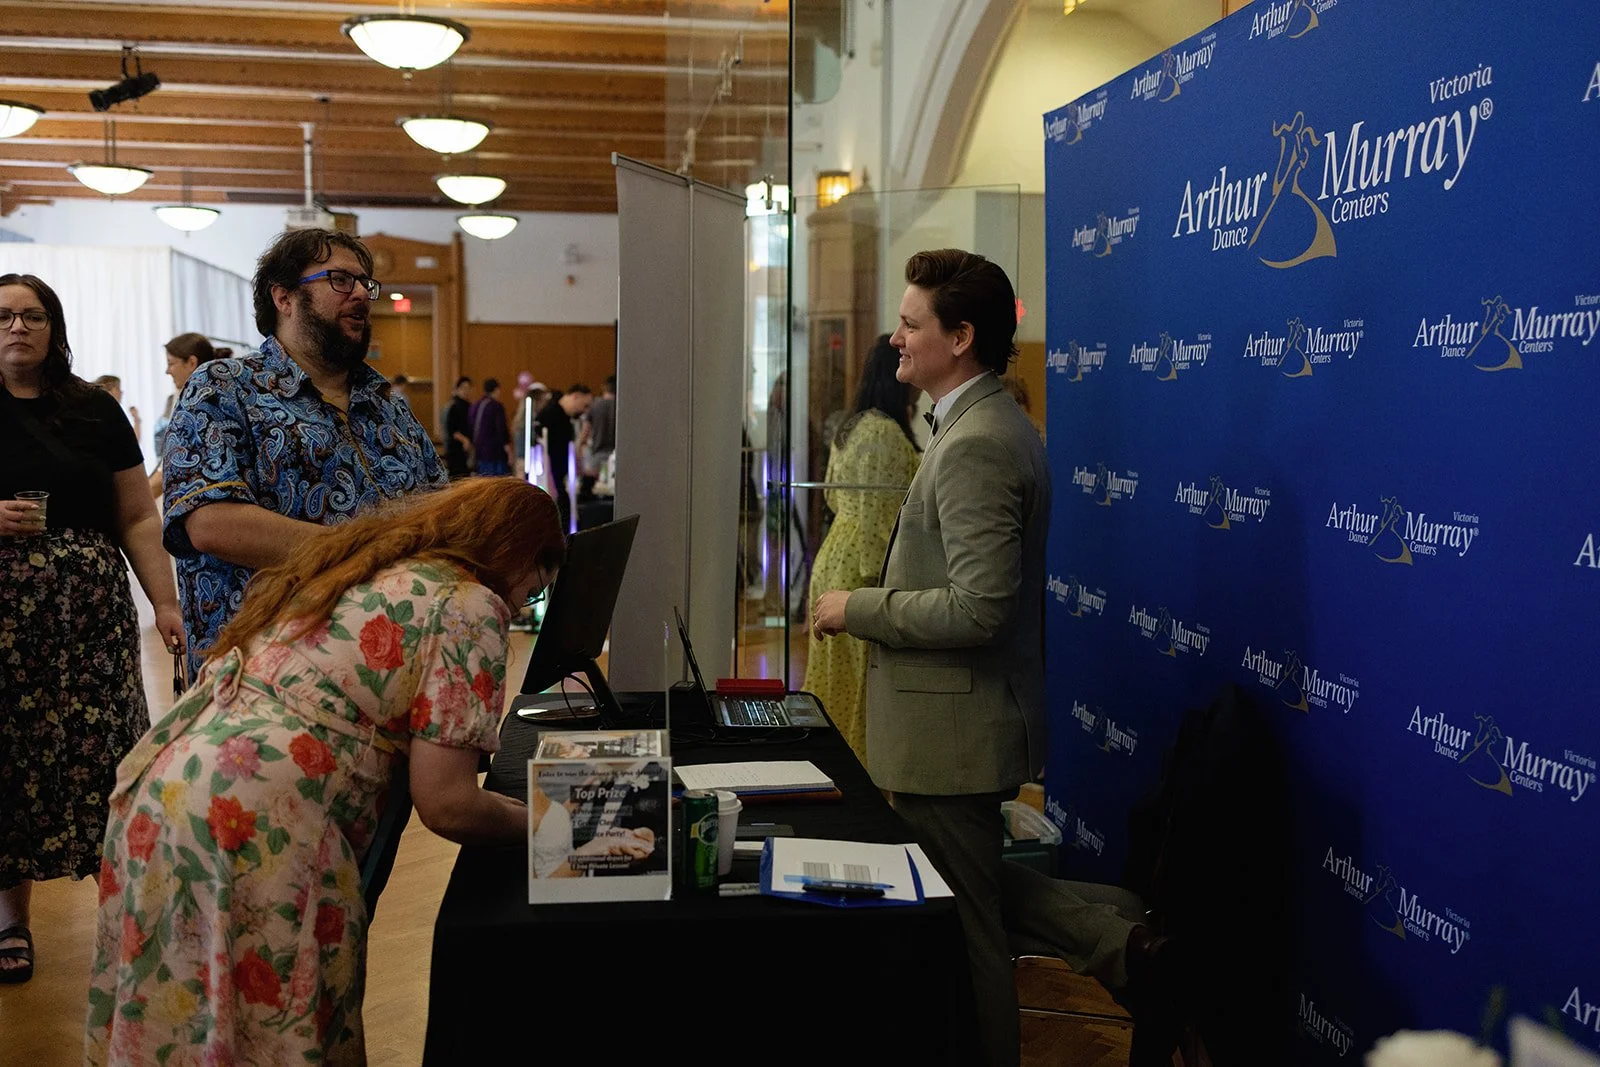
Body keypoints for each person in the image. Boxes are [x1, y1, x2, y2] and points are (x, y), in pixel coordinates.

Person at [812, 250, 1169, 1067]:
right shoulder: (970, 426)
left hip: (952, 734)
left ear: (961, 336)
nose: (894, 337)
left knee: (970, 937)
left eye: (910, 323)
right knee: (973, 888)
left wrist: (856, 608)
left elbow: (980, 606)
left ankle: (1126, 950)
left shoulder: (977, 442)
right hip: (948, 729)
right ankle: (1128, 946)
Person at [86, 478, 564, 1065]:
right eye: (532, 590)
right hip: (258, 821)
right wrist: (545, 820)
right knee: (281, 1020)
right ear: (515, 550)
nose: (521, 606)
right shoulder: (469, 605)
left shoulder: (371, 563)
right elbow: (447, 803)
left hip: (174, 785)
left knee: (179, 1012)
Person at [0, 274, 186, 985]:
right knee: (9, 760)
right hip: (4, 626)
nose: (19, 326)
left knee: (102, 758)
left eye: (34, 315)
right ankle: (10, 918)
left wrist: (164, 602)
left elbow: (137, 515)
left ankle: (130, 906)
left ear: (54, 327)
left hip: (87, 622)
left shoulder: (93, 409)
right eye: (6, 315)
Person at [162, 228, 446, 679]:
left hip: (390, 670)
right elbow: (211, 522)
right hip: (269, 677)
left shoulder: (386, 403)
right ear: (283, 297)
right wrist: (369, 553)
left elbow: (438, 512)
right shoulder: (225, 387)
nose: (360, 294)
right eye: (339, 280)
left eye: (364, 283)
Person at [802, 335, 921, 766]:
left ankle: (829, 767)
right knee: (858, 690)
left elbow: (836, 498)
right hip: (859, 566)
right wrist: (878, 587)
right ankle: (855, 777)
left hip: (837, 554)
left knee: (836, 683)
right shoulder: (883, 432)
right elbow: (879, 516)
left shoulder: (854, 425)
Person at [149, 333, 219, 500]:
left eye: (171, 363)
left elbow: (172, 464)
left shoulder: (197, 404)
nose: (167, 371)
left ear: (192, 362)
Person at [535, 383, 593, 529]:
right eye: (584, 405)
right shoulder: (550, 415)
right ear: (576, 397)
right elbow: (542, 450)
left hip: (559, 479)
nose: (585, 410)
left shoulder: (565, 418)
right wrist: (550, 482)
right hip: (551, 481)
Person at [578, 373, 616, 500]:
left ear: (605, 387)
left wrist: (578, 448)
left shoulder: (595, 405)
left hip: (597, 455)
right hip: (617, 456)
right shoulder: (622, 405)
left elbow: (585, 432)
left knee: (595, 494)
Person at [470, 376, 512, 476]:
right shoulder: (496, 406)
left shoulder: (475, 406)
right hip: (494, 453)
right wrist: (508, 449)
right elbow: (501, 429)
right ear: (496, 389)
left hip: (479, 451)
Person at [92, 374, 141, 442]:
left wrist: (136, 420)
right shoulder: (106, 415)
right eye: (118, 388)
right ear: (108, 391)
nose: (121, 392)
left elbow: (131, 441)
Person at [443, 374, 474, 478]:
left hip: (466, 450)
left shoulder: (469, 406)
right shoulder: (454, 407)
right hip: (456, 450)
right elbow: (451, 429)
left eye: (468, 388)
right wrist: (465, 440)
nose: (466, 391)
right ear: (458, 389)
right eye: (463, 388)